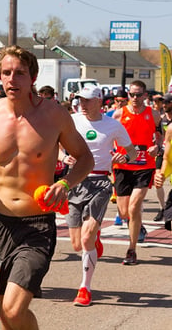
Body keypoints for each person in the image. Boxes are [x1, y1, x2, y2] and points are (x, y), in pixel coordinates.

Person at [0, 45, 93, 330]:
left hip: (37, 226)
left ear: (32, 77)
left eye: (20, 73)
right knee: (4, 312)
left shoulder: (54, 115)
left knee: (13, 310)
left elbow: (85, 158)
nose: (12, 79)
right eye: (6, 73)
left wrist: (64, 183)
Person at [63, 85, 136, 307]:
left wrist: (125, 158)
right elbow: (56, 145)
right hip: (74, 181)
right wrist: (62, 157)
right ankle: (94, 240)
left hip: (100, 182)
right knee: (77, 244)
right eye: (80, 100)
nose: (82, 105)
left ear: (99, 101)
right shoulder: (71, 120)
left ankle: (85, 288)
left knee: (86, 238)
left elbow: (130, 151)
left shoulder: (113, 125)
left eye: (87, 100)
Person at [112, 80, 161, 265]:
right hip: (123, 167)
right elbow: (109, 138)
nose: (134, 98)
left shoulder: (153, 114)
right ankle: (138, 225)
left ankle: (131, 250)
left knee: (134, 207)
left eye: (138, 95)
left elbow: (158, 136)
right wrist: (112, 154)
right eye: (131, 94)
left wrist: (157, 147)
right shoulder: (118, 115)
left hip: (144, 166)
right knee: (124, 213)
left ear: (145, 96)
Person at [153, 94, 172, 221]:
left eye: (167, 102)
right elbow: (159, 137)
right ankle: (162, 208)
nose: (164, 105)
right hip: (163, 154)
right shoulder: (161, 119)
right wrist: (157, 146)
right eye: (163, 102)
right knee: (158, 181)